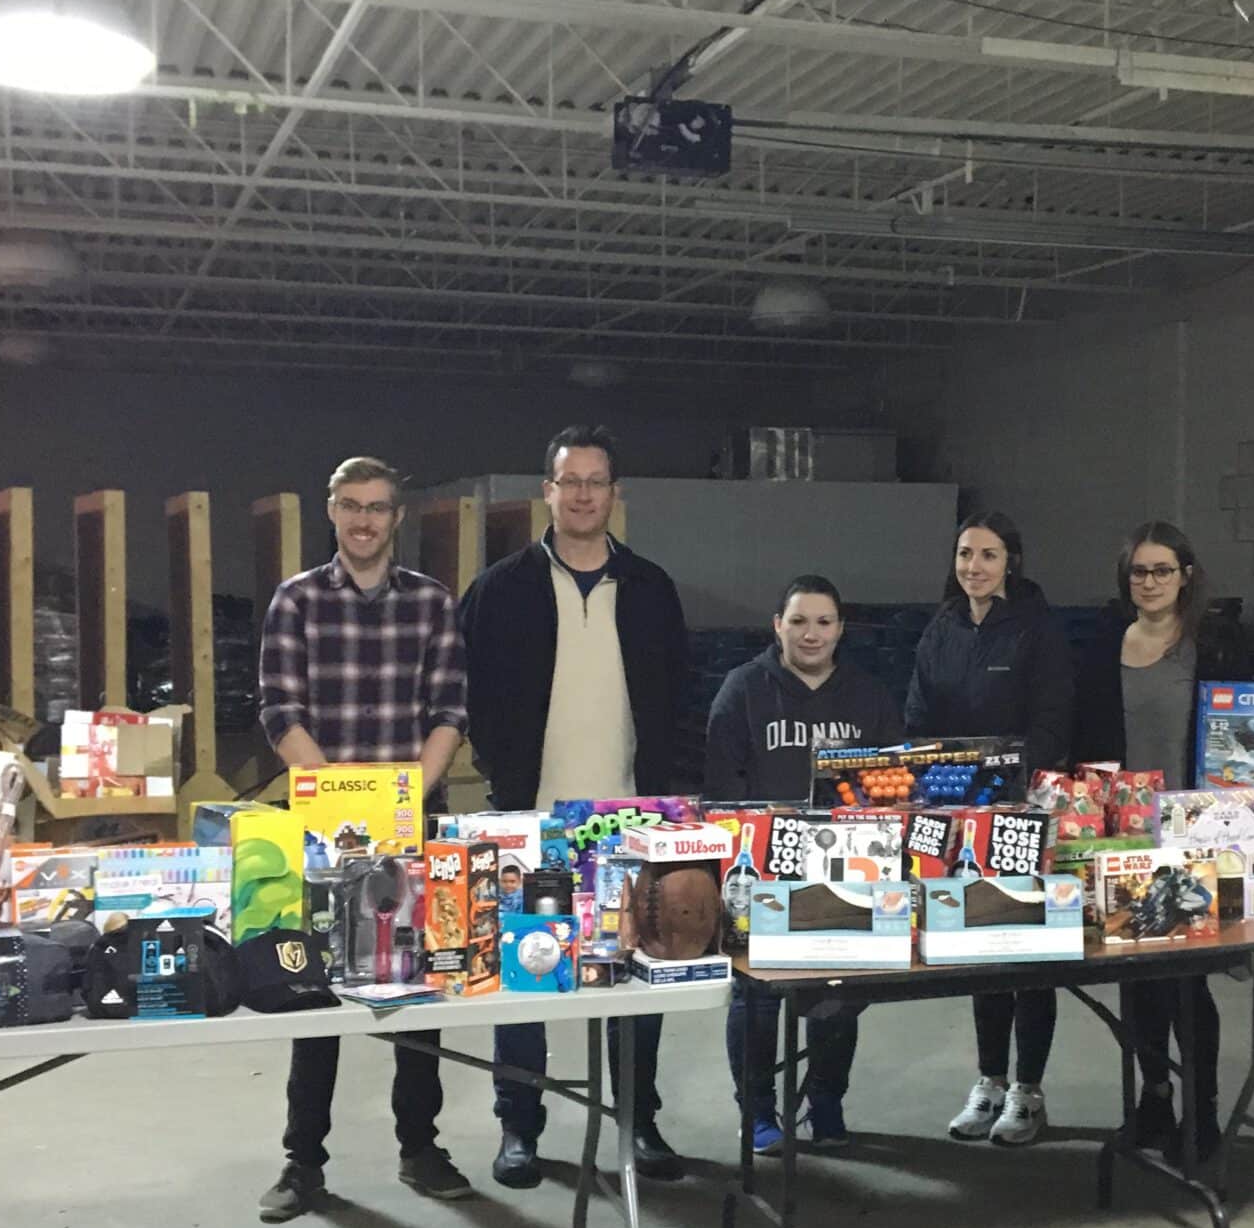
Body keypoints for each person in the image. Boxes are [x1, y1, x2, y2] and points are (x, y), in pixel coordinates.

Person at [460, 426, 692, 1189]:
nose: (584, 494)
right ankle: (519, 1128)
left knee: (637, 974)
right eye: (570, 481)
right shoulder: (501, 590)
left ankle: (639, 1122)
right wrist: (505, 784)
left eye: (597, 481)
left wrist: (676, 802)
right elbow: (473, 695)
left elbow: (680, 699)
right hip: (533, 820)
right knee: (525, 978)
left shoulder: (652, 589)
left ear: (614, 496)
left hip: (635, 820)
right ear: (548, 493)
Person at [254, 456, 472, 1223]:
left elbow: (449, 711)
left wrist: (404, 798)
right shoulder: (298, 600)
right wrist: (344, 800)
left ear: (397, 516)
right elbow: (281, 710)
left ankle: (421, 1147)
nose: (364, 520)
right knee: (315, 996)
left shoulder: (433, 604)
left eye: (378, 507)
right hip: (325, 831)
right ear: (332, 511)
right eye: (351, 506)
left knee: (421, 994)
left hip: (414, 823)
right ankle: (302, 1162)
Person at [704, 574, 905, 1154]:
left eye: (823, 622)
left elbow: (894, 789)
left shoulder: (869, 696)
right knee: (758, 996)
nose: (811, 633)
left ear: (840, 629)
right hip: (763, 870)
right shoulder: (742, 690)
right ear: (777, 626)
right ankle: (758, 1111)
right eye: (798, 621)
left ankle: (826, 1100)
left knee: (839, 988)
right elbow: (722, 788)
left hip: (848, 870)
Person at [1072, 519, 1249, 1162]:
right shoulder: (1101, 644)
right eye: (1139, 572)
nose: (1148, 582)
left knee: (1188, 984)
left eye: (1161, 571)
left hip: (1197, 840)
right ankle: (1152, 1102)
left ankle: (1200, 1114)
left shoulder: (1216, 646)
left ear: (1187, 575)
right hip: (1123, 839)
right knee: (1136, 982)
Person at [905, 512, 1074, 1147]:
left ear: (1012, 562)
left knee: (1026, 952)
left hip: (1022, 812)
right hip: (958, 811)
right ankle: (989, 1082)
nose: (974, 566)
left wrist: (1009, 783)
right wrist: (940, 781)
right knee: (979, 946)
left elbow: (1054, 721)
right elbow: (920, 713)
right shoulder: (941, 627)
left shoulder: (1039, 629)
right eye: (965, 553)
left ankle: (1028, 1090)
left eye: (988, 555)